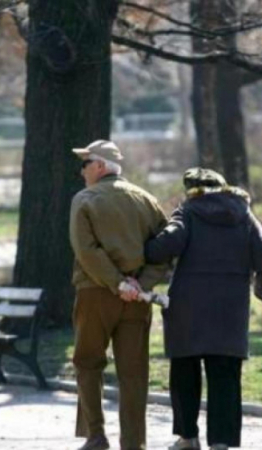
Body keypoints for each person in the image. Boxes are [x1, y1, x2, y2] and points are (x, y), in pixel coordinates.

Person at [144, 168, 262, 450]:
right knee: (226, 376)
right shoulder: (244, 214)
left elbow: (168, 243)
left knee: (184, 373)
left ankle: (188, 437)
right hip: (230, 310)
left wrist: (147, 249)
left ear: (191, 188)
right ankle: (221, 442)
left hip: (187, 309)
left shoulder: (188, 211)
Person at [69, 139, 168, 450]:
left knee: (88, 362)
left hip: (95, 292)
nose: (82, 171)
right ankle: (134, 444)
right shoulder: (148, 200)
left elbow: (86, 250)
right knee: (134, 373)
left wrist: (116, 283)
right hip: (137, 300)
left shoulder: (85, 199)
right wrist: (142, 285)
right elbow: (163, 250)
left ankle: (95, 436)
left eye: (85, 164)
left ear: (99, 166)